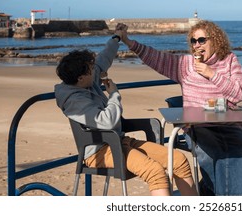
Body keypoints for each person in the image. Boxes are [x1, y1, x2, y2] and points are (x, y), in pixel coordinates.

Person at [54, 24, 197, 196]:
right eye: (91, 70)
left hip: (119, 141)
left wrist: (117, 38)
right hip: (99, 151)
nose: (96, 72)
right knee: (155, 172)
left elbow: (103, 60)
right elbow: (106, 122)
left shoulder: (86, 80)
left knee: (178, 160)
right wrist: (114, 94)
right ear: (81, 77)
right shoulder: (74, 100)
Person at [116, 20, 242, 196]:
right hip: (197, 127)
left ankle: (216, 195)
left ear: (215, 40)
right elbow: (155, 57)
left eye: (202, 40)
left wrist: (212, 74)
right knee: (223, 154)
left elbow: (240, 94)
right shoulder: (185, 65)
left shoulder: (229, 60)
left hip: (228, 125)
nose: (197, 45)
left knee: (241, 151)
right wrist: (128, 41)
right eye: (193, 41)